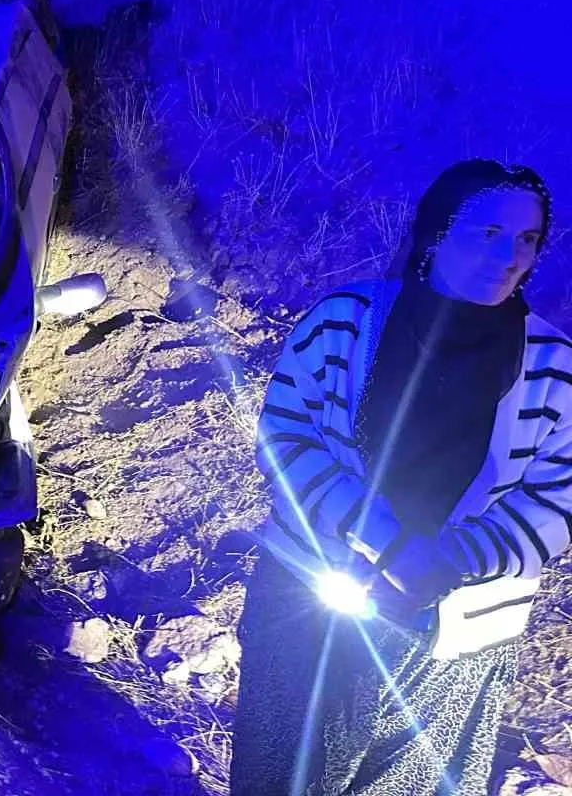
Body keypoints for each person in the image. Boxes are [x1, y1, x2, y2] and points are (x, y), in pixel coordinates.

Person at [231, 159, 571, 795]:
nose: (510, 257)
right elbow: (286, 436)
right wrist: (385, 540)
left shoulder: (554, 367)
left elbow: (558, 497)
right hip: (312, 614)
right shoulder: (342, 322)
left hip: (461, 637)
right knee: (281, 779)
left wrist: (454, 558)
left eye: (527, 239)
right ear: (436, 232)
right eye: (488, 232)